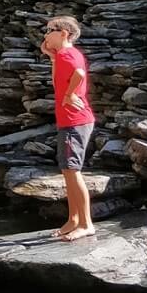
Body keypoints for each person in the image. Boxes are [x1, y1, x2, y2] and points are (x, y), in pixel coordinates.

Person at [40, 15, 96, 241]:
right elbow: (58, 84)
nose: (45, 35)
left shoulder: (66, 54)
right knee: (67, 171)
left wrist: (71, 94)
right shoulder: (63, 55)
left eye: (50, 30)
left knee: (73, 172)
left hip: (75, 121)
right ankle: (73, 219)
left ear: (64, 33)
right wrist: (51, 58)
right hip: (71, 121)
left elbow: (79, 74)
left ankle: (85, 223)